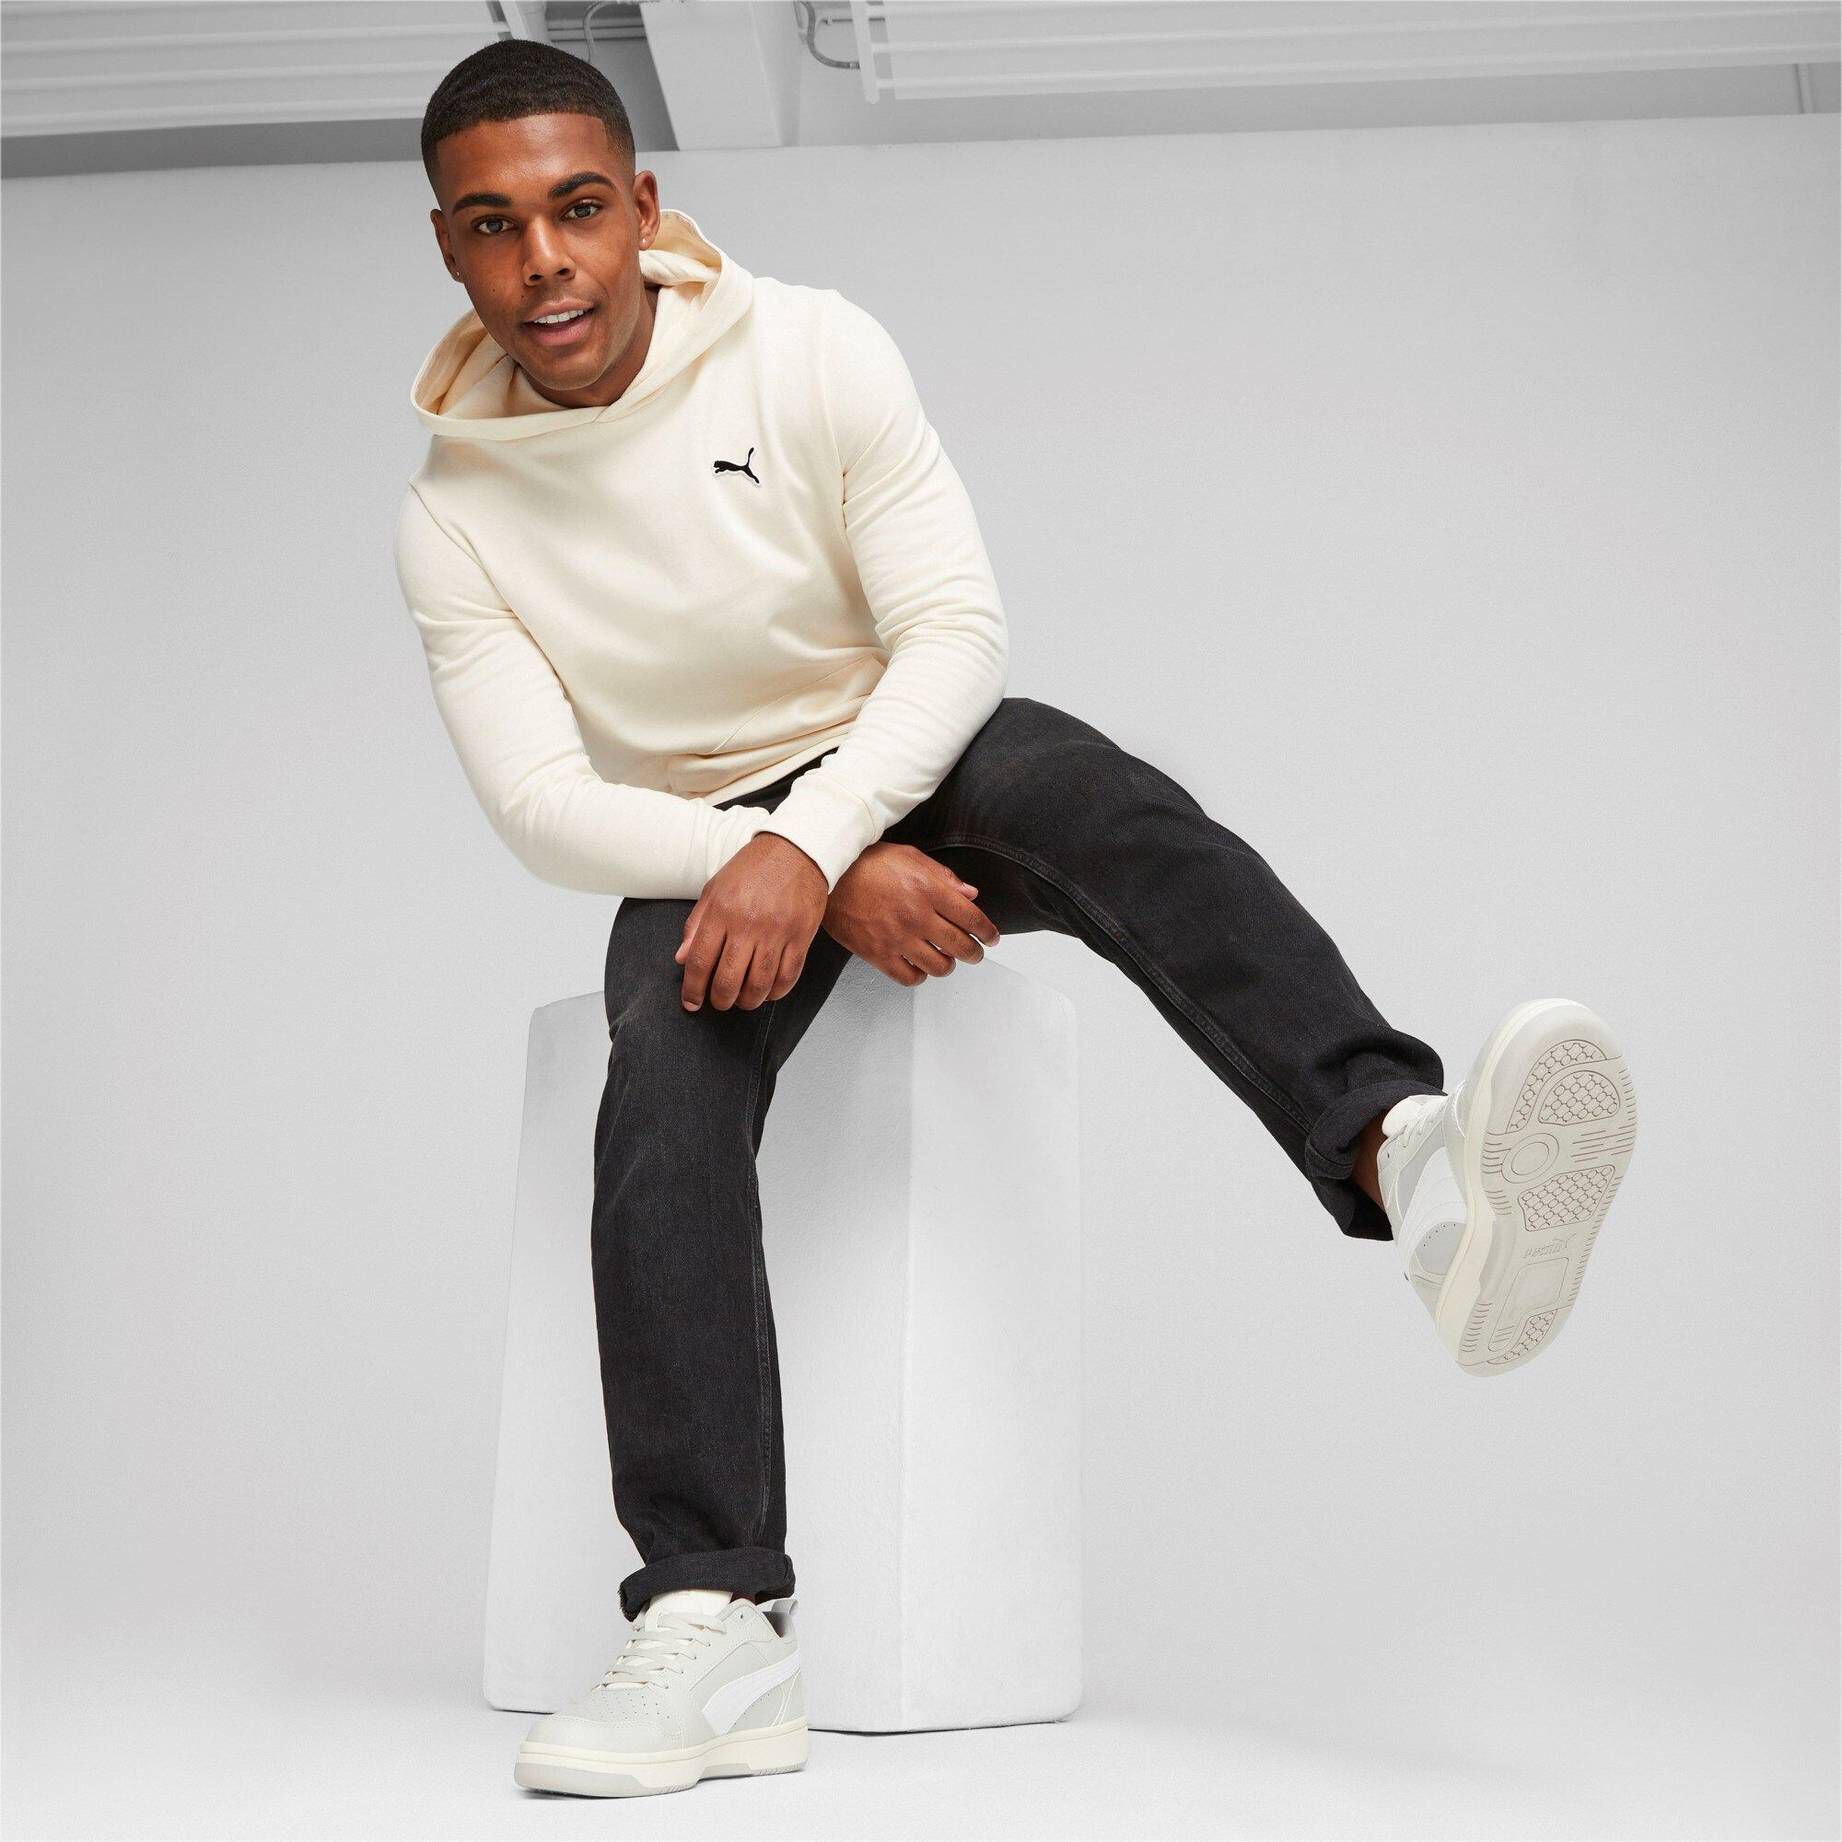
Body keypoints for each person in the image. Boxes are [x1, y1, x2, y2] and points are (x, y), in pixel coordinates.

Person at [394, 39, 1638, 1803]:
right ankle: (713, 1618)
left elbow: (956, 634)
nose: (545, 263)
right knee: (656, 1090)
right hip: (696, 842)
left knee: (1107, 805)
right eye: (494, 226)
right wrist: (783, 861)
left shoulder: (810, 350)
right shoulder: (453, 516)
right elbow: (536, 803)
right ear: (447, 246)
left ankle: (1411, 1168)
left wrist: (822, 838)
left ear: (644, 208)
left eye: (578, 208)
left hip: (907, 750)